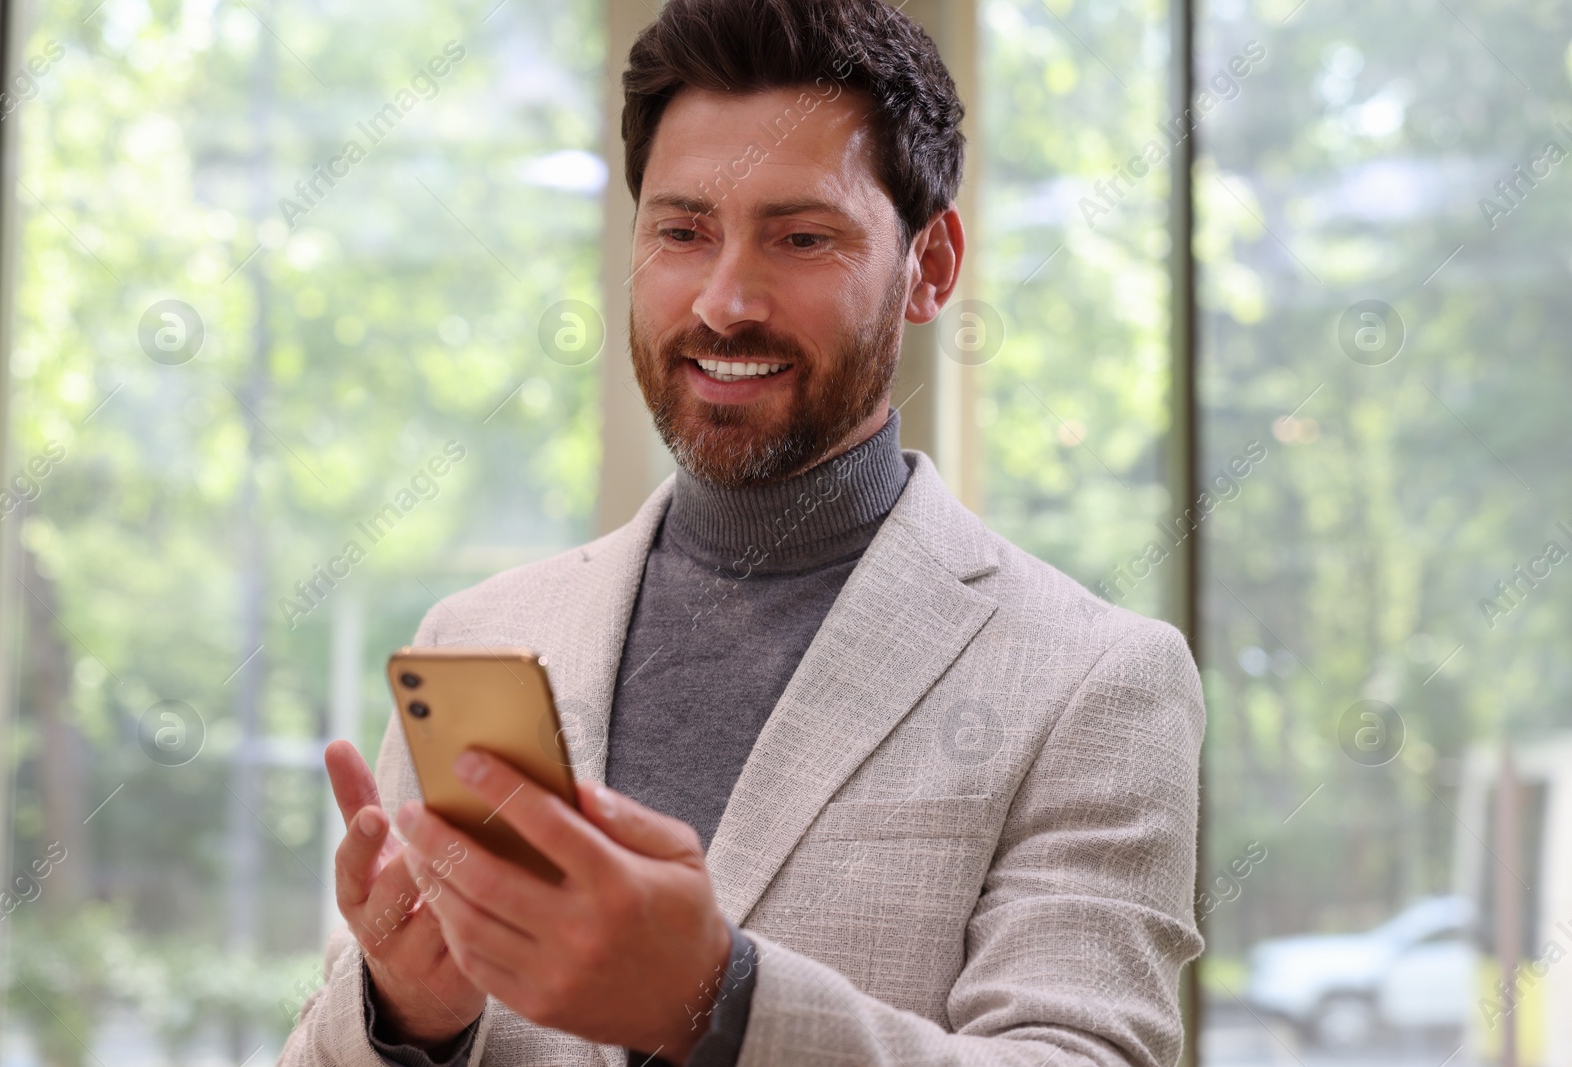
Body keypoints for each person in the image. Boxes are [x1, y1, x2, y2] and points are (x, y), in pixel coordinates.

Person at [280, 1, 1204, 1064]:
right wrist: (402, 1016)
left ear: (931, 265)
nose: (723, 301)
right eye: (682, 231)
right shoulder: (475, 637)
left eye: (800, 237)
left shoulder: (1095, 678)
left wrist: (717, 1000)